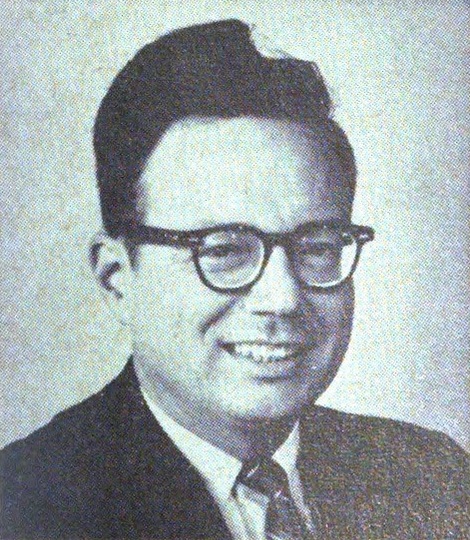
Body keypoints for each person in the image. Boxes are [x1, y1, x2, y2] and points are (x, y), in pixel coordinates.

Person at [1, 18, 468, 540]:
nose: (282, 298)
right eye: (223, 250)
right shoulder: (27, 507)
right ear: (117, 278)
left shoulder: (433, 476)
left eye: (317, 247)